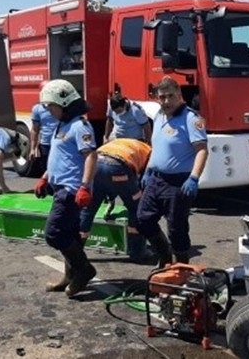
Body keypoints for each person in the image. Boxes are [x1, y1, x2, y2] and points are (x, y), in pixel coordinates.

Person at [33, 79, 98, 298]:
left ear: (65, 103)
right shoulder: (62, 125)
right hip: (60, 187)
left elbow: (90, 156)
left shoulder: (80, 126)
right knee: (69, 233)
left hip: (71, 191)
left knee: (54, 233)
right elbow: (58, 157)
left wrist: (85, 187)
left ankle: (84, 270)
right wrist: (44, 177)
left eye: (51, 106)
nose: (48, 111)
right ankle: (70, 276)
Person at [136, 77, 209, 267]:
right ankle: (164, 256)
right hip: (156, 180)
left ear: (179, 96)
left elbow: (201, 150)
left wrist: (194, 178)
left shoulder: (191, 119)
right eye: (162, 97)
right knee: (144, 219)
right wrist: (148, 170)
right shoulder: (159, 115)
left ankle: (182, 267)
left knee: (176, 228)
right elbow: (157, 147)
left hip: (178, 183)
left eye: (170, 96)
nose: (166, 101)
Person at [79, 138, 154, 263]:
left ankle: (77, 251)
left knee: (89, 209)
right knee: (137, 207)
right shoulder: (148, 150)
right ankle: (137, 250)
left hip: (97, 164)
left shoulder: (120, 142)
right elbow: (142, 177)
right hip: (117, 168)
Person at [29, 82, 59, 171]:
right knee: (46, 170)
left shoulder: (60, 107)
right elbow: (35, 130)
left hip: (59, 144)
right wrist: (33, 148)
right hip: (46, 145)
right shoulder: (37, 109)